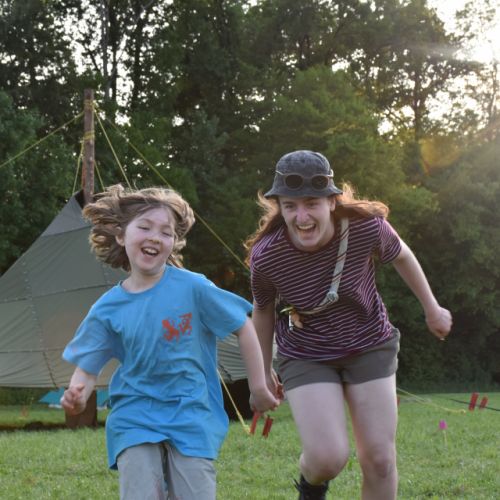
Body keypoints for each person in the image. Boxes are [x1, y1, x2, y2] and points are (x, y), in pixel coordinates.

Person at [245, 150, 452, 500]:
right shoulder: (268, 255)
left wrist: (432, 308)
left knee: (380, 460)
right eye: (290, 206)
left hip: (369, 342)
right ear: (279, 207)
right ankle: (311, 486)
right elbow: (262, 310)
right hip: (307, 352)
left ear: (331, 201)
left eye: (312, 203)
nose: (301, 217)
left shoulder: (365, 228)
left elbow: (402, 255)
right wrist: (262, 374)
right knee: (326, 458)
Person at [61, 185, 279, 500]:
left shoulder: (193, 288)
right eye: (145, 227)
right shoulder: (107, 308)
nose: (155, 237)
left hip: (191, 412)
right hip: (135, 413)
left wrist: (258, 387)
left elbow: (244, 327)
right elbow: (87, 366)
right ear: (121, 235)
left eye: (166, 232)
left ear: (174, 242)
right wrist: (78, 394)